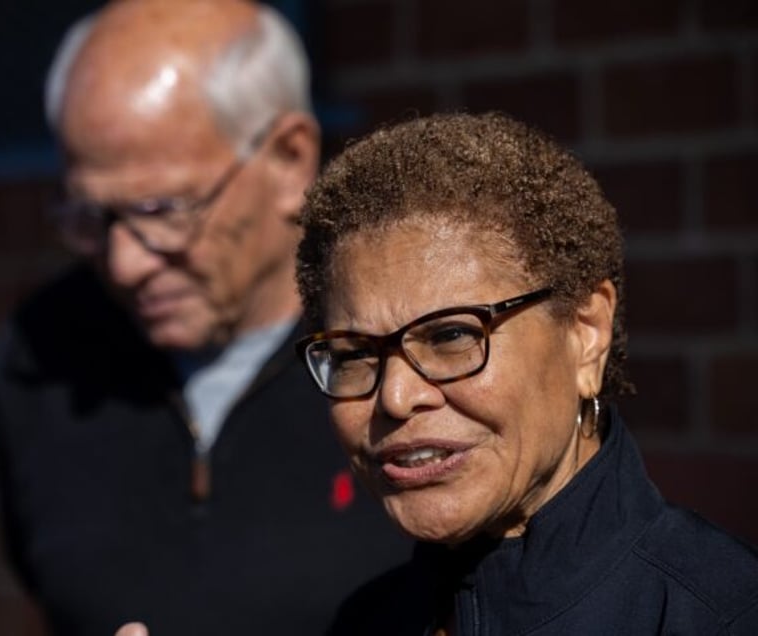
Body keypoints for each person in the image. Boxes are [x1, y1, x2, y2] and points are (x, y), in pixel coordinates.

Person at [0, 1, 408, 634]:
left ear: (289, 159)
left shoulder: (407, 353)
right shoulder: (43, 356)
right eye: (92, 217)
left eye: (165, 211)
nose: (125, 263)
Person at [293, 111, 758, 635]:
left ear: (587, 333)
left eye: (451, 336)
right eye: (354, 355)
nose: (396, 397)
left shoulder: (721, 615)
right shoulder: (366, 621)